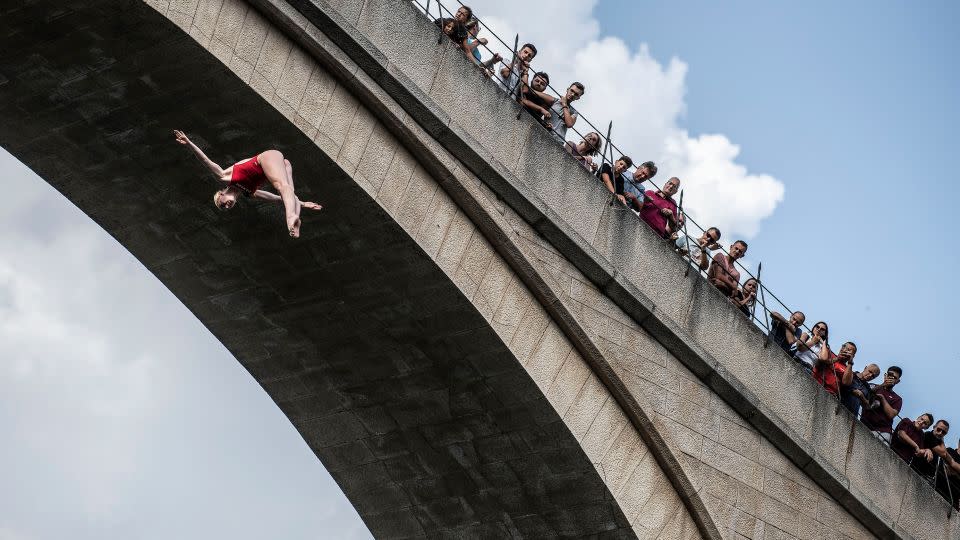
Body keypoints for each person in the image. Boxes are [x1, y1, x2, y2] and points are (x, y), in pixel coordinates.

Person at [173, 130, 322, 238]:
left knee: (283, 187)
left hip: (265, 159)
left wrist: (189, 143)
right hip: (282, 164)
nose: (226, 206)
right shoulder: (249, 192)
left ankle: (290, 218)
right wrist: (304, 204)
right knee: (287, 192)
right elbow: (275, 198)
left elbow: (206, 161)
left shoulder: (225, 177)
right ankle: (295, 217)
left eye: (222, 203)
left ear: (222, 193)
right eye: (226, 208)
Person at [858, 366, 903, 442]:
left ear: (897, 381)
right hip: (864, 425)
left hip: (883, 432)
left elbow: (891, 414)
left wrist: (882, 398)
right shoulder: (872, 386)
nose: (891, 379)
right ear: (885, 375)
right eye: (889, 375)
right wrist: (883, 385)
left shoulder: (897, 398)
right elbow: (863, 394)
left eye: (894, 378)